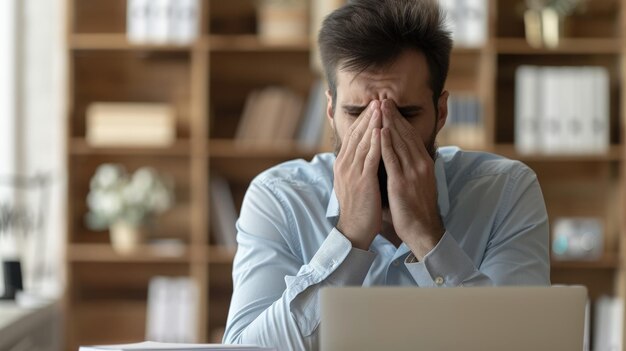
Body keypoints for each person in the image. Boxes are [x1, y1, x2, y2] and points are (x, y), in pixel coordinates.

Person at [223, 0, 550, 349]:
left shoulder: (507, 192)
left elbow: (521, 343)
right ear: (331, 109)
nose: (380, 134)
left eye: (405, 114)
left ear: (441, 112)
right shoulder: (279, 198)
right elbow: (247, 347)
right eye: (356, 112)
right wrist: (348, 238)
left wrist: (428, 236)